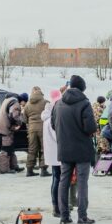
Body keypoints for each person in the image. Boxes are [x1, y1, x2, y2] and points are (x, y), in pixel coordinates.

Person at [53, 75, 97, 224]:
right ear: (82, 88)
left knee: (63, 181)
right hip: (82, 150)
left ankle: (64, 216)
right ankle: (82, 216)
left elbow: (54, 124)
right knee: (82, 182)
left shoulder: (58, 103)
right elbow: (90, 127)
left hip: (64, 148)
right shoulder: (84, 103)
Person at [42, 89, 63, 217]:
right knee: (58, 179)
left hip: (52, 153)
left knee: (56, 179)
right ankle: (57, 207)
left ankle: (57, 205)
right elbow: (58, 136)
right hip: (57, 153)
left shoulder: (47, 117)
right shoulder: (51, 119)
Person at [0, 94, 25, 174]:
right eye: (24, 103)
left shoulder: (8, 100)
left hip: (3, 126)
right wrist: (19, 123)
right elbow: (14, 115)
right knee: (6, 148)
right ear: (22, 100)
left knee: (11, 147)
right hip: (5, 128)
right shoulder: (14, 102)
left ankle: (13, 166)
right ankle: (4, 169)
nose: (23, 105)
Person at [23, 87, 47, 176]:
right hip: (43, 128)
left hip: (32, 129)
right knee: (44, 149)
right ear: (41, 94)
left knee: (32, 149)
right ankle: (43, 169)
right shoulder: (45, 102)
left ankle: (29, 170)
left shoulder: (28, 104)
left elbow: (24, 118)